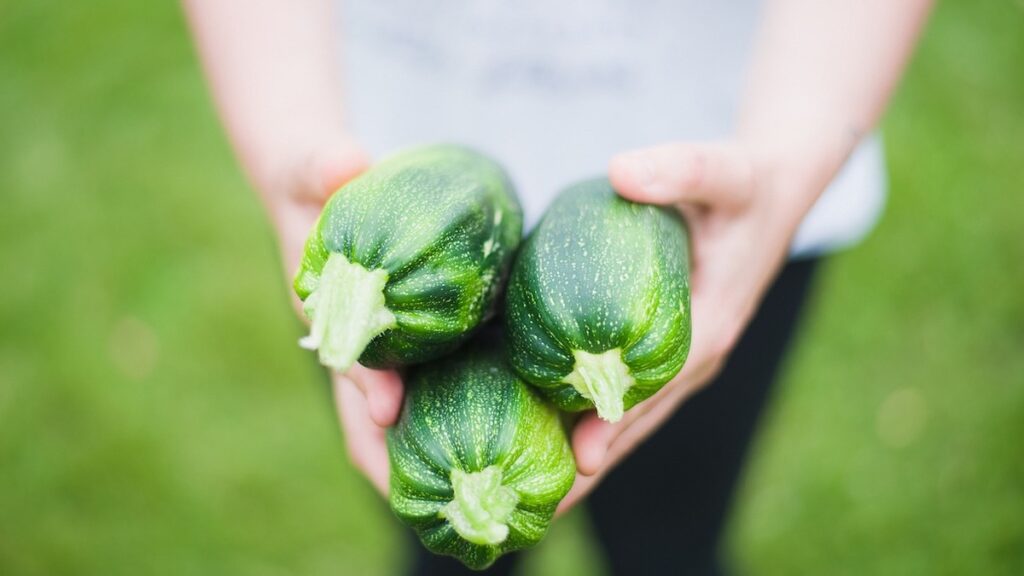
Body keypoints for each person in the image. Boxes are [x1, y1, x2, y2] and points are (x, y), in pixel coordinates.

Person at [184, 1, 932, 573]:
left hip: (733, 186)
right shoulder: (362, 256)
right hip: (386, 168)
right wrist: (285, 132)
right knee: (446, 549)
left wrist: (791, 158)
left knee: (671, 538)